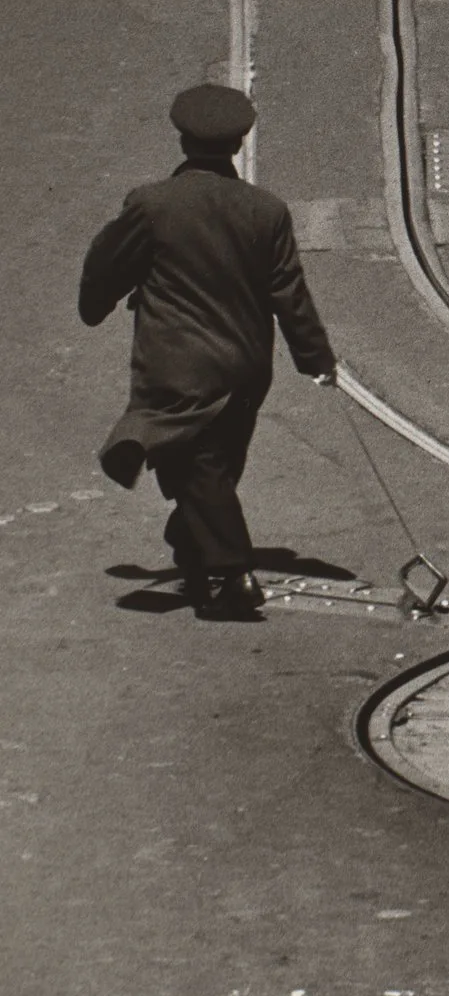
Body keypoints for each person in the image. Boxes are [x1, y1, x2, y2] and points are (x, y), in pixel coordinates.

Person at [79, 85, 337, 621]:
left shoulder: (153, 204)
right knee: (214, 464)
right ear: (241, 143)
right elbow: (289, 292)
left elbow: (107, 265)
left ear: (182, 139)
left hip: (178, 364)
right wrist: (315, 360)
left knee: (195, 464)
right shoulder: (267, 211)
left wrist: (97, 303)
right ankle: (194, 544)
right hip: (245, 366)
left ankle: (229, 574)